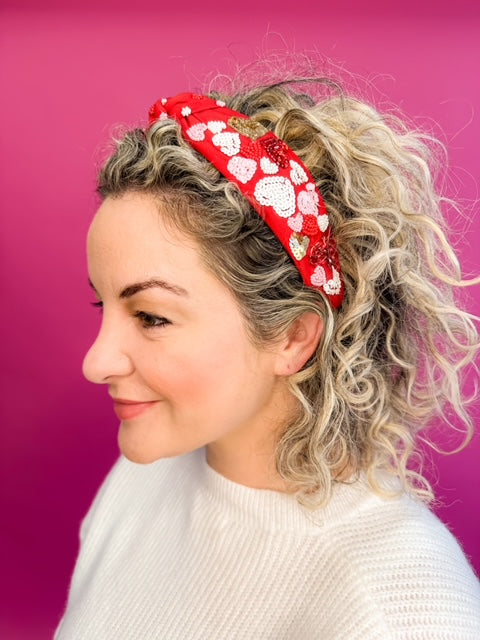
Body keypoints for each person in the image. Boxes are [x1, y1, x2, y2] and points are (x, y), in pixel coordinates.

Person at [55, 75, 480, 639]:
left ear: (292, 337)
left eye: (152, 317)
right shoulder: (146, 477)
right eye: (101, 302)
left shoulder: (401, 608)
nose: (96, 361)